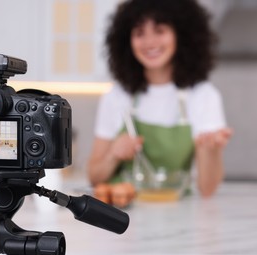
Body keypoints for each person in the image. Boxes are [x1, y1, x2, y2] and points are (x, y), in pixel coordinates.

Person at [88, 0, 232, 203]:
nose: (149, 42)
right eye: (139, 33)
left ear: (181, 35)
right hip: (122, 218)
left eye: (159, 30)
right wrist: (113, 154)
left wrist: (212, 149)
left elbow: (207, 189)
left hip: (177, 215)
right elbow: (94, 178)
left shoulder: (203, 96)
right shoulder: (116, 96)